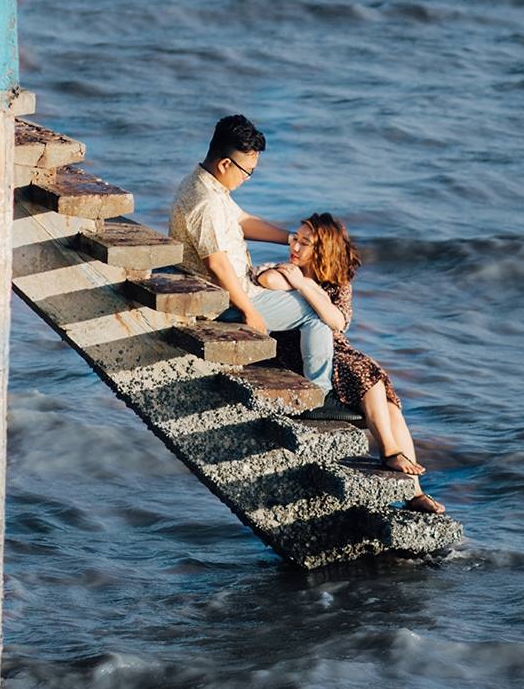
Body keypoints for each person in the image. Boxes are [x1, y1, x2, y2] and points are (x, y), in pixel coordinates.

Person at [256, 213, 446, 515]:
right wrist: (299, 280)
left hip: (336, 350)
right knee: (366, 374)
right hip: (296, 354)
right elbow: (266, 280)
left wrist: (305, 285)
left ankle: (415, 491)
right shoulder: (287, 270)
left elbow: (338, 322)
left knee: (389, 403)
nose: (295, 247)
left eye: (306, 243)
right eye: (296, 239)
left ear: (323, 250)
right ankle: (390, 453)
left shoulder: (337, 282)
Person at [169, 115, 333, 395]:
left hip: (227, 291)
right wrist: (250, 312)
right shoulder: (206, 203)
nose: (247, 178)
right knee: (314, 313)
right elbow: (217, 265)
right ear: (225, 164)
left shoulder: (205, 184)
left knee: (296, 293)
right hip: (220, 304)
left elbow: (242, 221)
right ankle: (319, 393)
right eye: (247, 171)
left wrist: (290, 238)